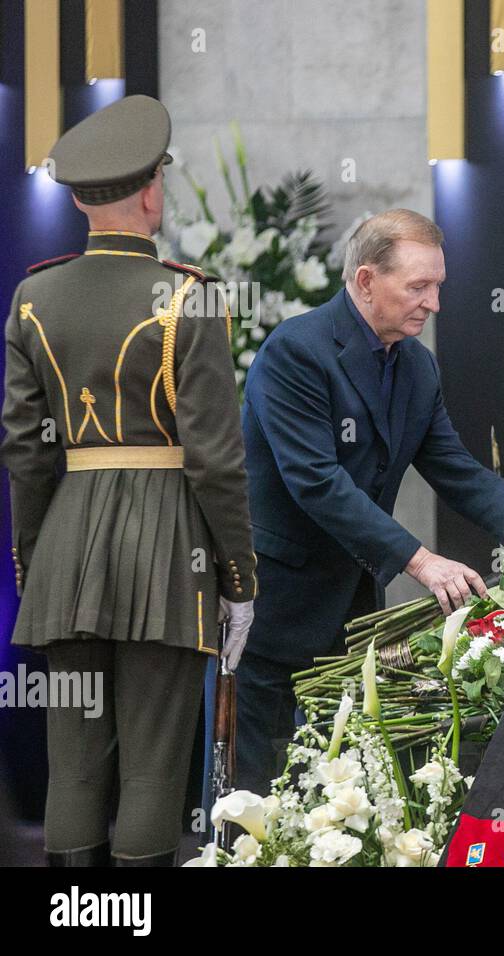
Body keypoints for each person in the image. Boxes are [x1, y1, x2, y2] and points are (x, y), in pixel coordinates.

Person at [1, 95, 257, 866]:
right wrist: (240, 576)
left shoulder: (32, 296)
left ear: (80, 199)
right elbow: (216, 458)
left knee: (73, 765)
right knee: (152, 767)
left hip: (67, 545)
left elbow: (25, 449)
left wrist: (34, 557)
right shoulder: (190, 294)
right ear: (151, 192)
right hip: (168, 550)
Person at [237, 209, 504, 793]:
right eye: (419, 286)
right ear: (367, 280)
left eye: (438, 287)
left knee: (337, 795)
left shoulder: (418, 365)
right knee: (257, 793)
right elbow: (318, 482)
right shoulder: (296, 351)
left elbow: (453, 467)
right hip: (277, 609)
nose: (434, 303)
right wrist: (421, 561)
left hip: (352, 613)